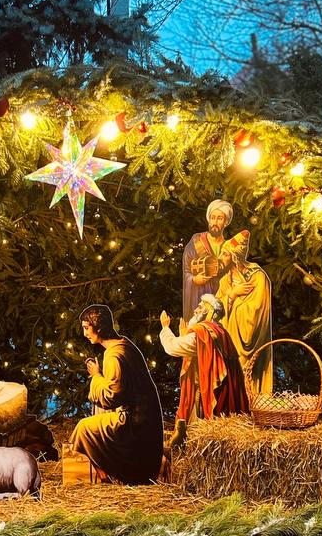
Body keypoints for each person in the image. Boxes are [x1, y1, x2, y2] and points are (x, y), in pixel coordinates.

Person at [69, 304, 163, 484]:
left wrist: (96, 376)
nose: (85, 333)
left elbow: (112, 397)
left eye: (87, 328)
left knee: (83, 428)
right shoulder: (124, 344)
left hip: (135, 425)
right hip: (145, 420)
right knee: (97, 418)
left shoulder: (113, 356)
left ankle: (106, 476)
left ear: (98, 328)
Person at [159, 293, 245, 447]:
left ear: (208, 311)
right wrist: (184, 335)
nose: (195, 310)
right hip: (225, 393)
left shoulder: (203, 333)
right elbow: (197, 352)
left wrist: (165, 328)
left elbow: (172, 347)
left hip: (207, 391)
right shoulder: (220, 331)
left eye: (199, 307)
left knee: (198, 433)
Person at [216, 229, 273, 396]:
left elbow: (256, 313)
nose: (220, 257)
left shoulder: (257, 277)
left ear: (235, 257)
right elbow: (215, 310)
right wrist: (232, 295)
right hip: (228, 344)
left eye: (225, 254)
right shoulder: (225, 281)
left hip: (249, 344)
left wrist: (234, 305)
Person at [181, 199, 233, 321]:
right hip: (199, 296)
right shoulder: (196, 242)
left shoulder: (229, 248)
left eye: (219, 218)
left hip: (221, 297)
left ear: (225, 222)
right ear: (209, 219)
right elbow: (186, 270)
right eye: (212, 218)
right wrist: (194, 279)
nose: (215, 222)